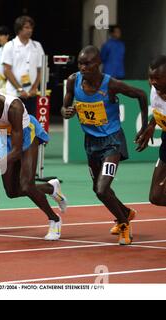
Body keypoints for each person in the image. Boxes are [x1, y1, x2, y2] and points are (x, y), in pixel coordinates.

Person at [61, 46, 148, 245]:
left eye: (87, 63)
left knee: (101, 189)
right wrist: (66, 111)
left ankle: (124, 224)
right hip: (91, 143)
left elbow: (141, 95)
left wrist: (144, 126)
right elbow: (65, 105)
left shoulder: (111, 84)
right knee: (97, 188)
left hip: (112, 142)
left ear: (98, 63)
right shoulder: (74, 81)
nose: (83, 67)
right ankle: (125, 211)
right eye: (80, 63)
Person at [0, 82, 66, 241]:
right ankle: (51, 187)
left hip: (27, 135)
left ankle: (54, 219)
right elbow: (0, 128)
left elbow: (16, 151)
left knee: (27, 185)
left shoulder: (14, 107)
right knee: (12, 192)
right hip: (5, 136)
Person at [136, 55, 166, 207]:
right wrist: (151, 125)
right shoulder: (155, 88)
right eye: (150, 77)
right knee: (156, 197)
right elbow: (159, 108)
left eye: (158, 78)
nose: (153, 82)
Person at [2, 16, 44, 116]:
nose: (30, 30)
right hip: (13, 94)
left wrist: (34, 88)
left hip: (31, 94)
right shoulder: (10, 45)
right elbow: (7, 70)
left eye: (31, 28)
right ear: (19, 29)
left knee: (30, 123)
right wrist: (20, 89)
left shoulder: (37, 46)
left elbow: (40, 70)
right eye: (27, 27)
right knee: (13, 124)